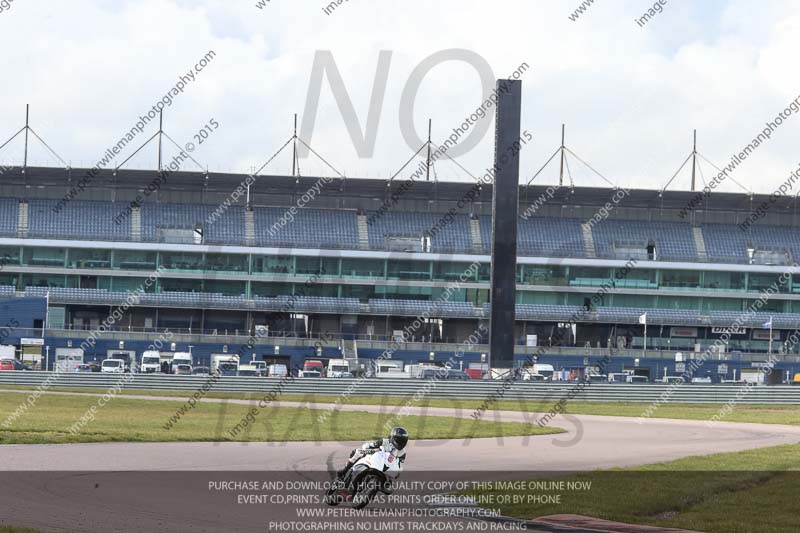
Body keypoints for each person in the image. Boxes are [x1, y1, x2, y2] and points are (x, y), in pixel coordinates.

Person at [337, 427, 408, 480]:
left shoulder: (402, 452)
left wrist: (397, 472)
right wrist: (368, 449)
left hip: (386, 467)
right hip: (374, 459)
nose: (400, 443)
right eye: (399, 440)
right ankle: (345, 469)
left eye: (403, 441)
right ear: (393, 438)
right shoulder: (384, 442)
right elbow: (369, 445)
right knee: (357, 452)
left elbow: (399, 465)